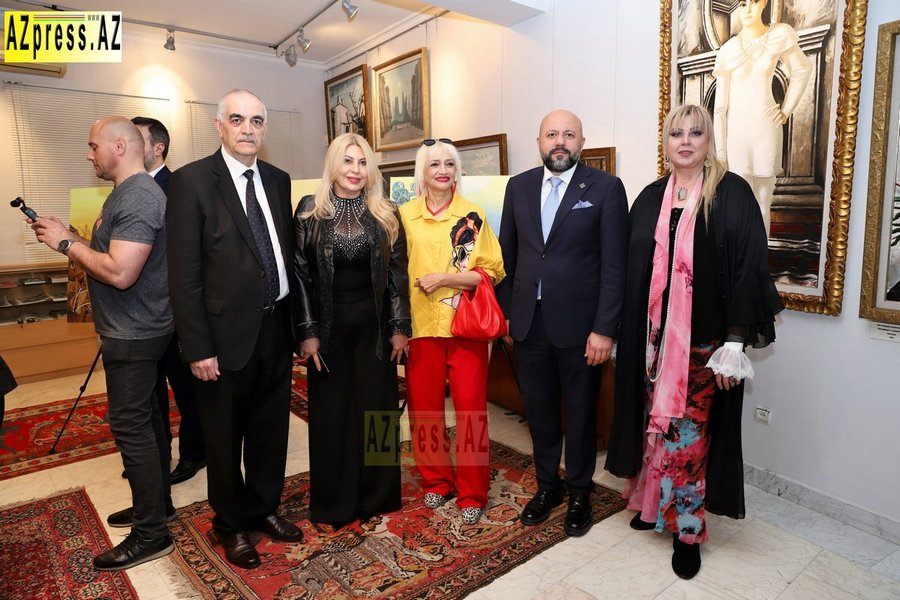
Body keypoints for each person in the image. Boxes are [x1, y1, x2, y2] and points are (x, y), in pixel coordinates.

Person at [605, 103, 783, 579]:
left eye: (695, 133)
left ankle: (687, 532)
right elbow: (630, 270)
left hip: (704, 346)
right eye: (676, 133)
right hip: (652, 346)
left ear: (709, 140)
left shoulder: (732, 193)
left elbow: (748, 267)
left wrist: (735, 342)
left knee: (688, 440)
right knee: (657, 430)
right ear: (665, 142)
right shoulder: (650, 197)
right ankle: (654, 507)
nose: (685, 141)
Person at [31, 116, 175, 571]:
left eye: (93, 146)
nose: (88, 154)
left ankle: (152, 534)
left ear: (120, 146)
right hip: (135, 328)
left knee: (132, 429)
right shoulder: (126, 192)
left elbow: (120, 272)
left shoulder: (138, 196)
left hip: (135, 333)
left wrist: (65, 244)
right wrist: (72, 237)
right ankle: (158, 507)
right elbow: (115, 254)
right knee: (148, 423)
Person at [166, 89, 302, 570]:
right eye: (238, 119)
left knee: (270, 430)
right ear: (219, 125)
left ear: (265, 129)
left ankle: (263, 508)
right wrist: (196, 346)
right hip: (221, 339)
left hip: (275, 327)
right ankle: (230, 524)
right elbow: (184, 275)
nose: (248, 129)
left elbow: (283, 255)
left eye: (257, 121)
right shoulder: (190, 182)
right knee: (224, 438)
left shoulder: (278, 180)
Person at [496, 110, 628, 537]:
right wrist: (507, 313)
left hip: (582, 329)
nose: (560, 141)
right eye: (551, 134)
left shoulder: (605, 188)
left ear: (581, 143)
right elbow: (506, 258)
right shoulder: (518, 187)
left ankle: (579, 493)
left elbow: (615, 266)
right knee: (539, 412)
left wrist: (604, 329)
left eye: (568, 135)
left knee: (581, 413)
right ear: (539, 141)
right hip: (528, 325)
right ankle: (548, 487)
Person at [294, 132, 411, 527]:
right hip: (327, 333)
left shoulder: (386, 211)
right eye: (348, 161)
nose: (355, 170)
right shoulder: (309, 211)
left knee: (378, 413)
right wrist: (307, 332)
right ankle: (336, 502)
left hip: (375, 333)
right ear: (333, 164)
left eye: (362, 162)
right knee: (333, 417)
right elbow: (300, 276)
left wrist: (399, 326)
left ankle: (378, 496)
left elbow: (396, 275)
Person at [398, 138, 504, 525]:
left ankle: (473, 492)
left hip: (465, 329)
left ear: (457, 170)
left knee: (471, 413)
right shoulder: (403, 216)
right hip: (419, 329)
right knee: (425, 412)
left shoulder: (472, 214)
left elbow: (491, 271)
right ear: (421, 173)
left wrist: (445, 278)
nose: (442, 170)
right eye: (434, 164)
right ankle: (436, 482)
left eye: (449, 164)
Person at [128, 116, 206, 488]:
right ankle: (157, 453)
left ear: (158, 148)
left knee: (188, 389)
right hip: (141, 314)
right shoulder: (128, 188)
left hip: (175, 311)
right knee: (151, 390)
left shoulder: (179, 188)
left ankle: (195, 452)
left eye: (136, 139)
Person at [712, 0, 812, 238]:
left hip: (767, 129)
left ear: (764, 3)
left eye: (753, 2)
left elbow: (802, 69)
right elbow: (720, 107)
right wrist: (721, 153)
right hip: (737, 133)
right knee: (739, 200)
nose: (747, 9)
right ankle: (740, 257)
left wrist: (786, 109)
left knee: (763, 200)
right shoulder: (728, 50)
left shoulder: (777, 35)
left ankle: (760, 257)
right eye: (742, 4)